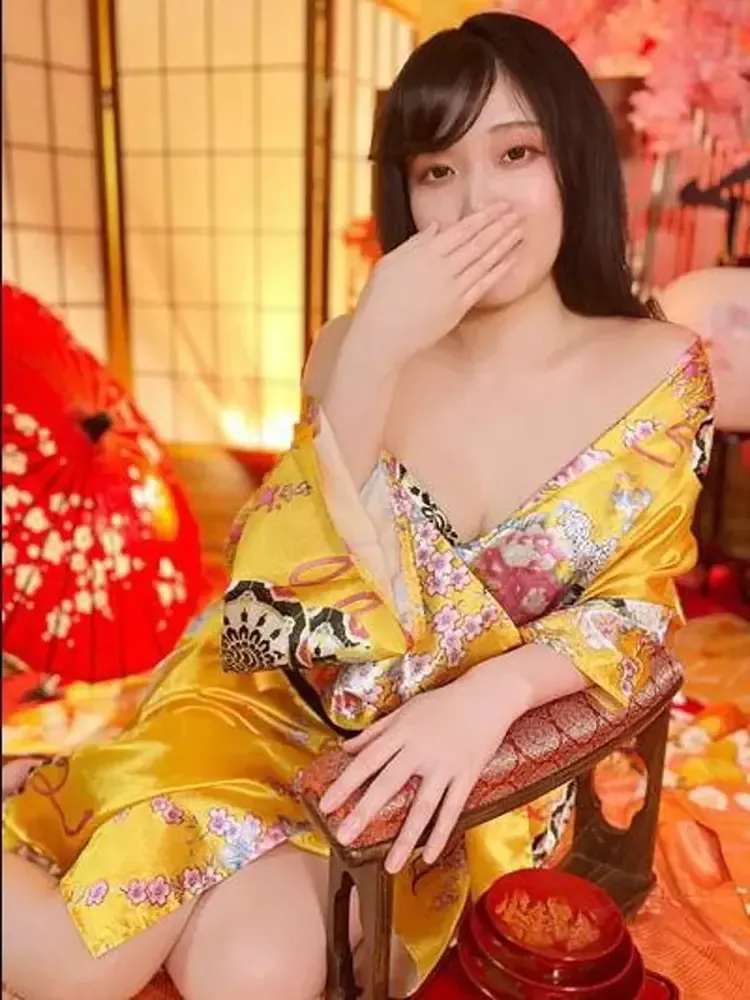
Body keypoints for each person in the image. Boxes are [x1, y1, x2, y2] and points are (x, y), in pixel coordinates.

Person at [2, 12, 714, 1000]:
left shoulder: (659, 370)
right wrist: (374, 350)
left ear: (577, 163)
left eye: (515, 154)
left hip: (436, 770)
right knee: (80, 971)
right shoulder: (354, 343)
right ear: (405, 192)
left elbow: (635, 613)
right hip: (262, 700)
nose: (475, 202)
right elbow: (272, 603)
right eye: (437, 169)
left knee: (257, 973)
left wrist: (483, 699)